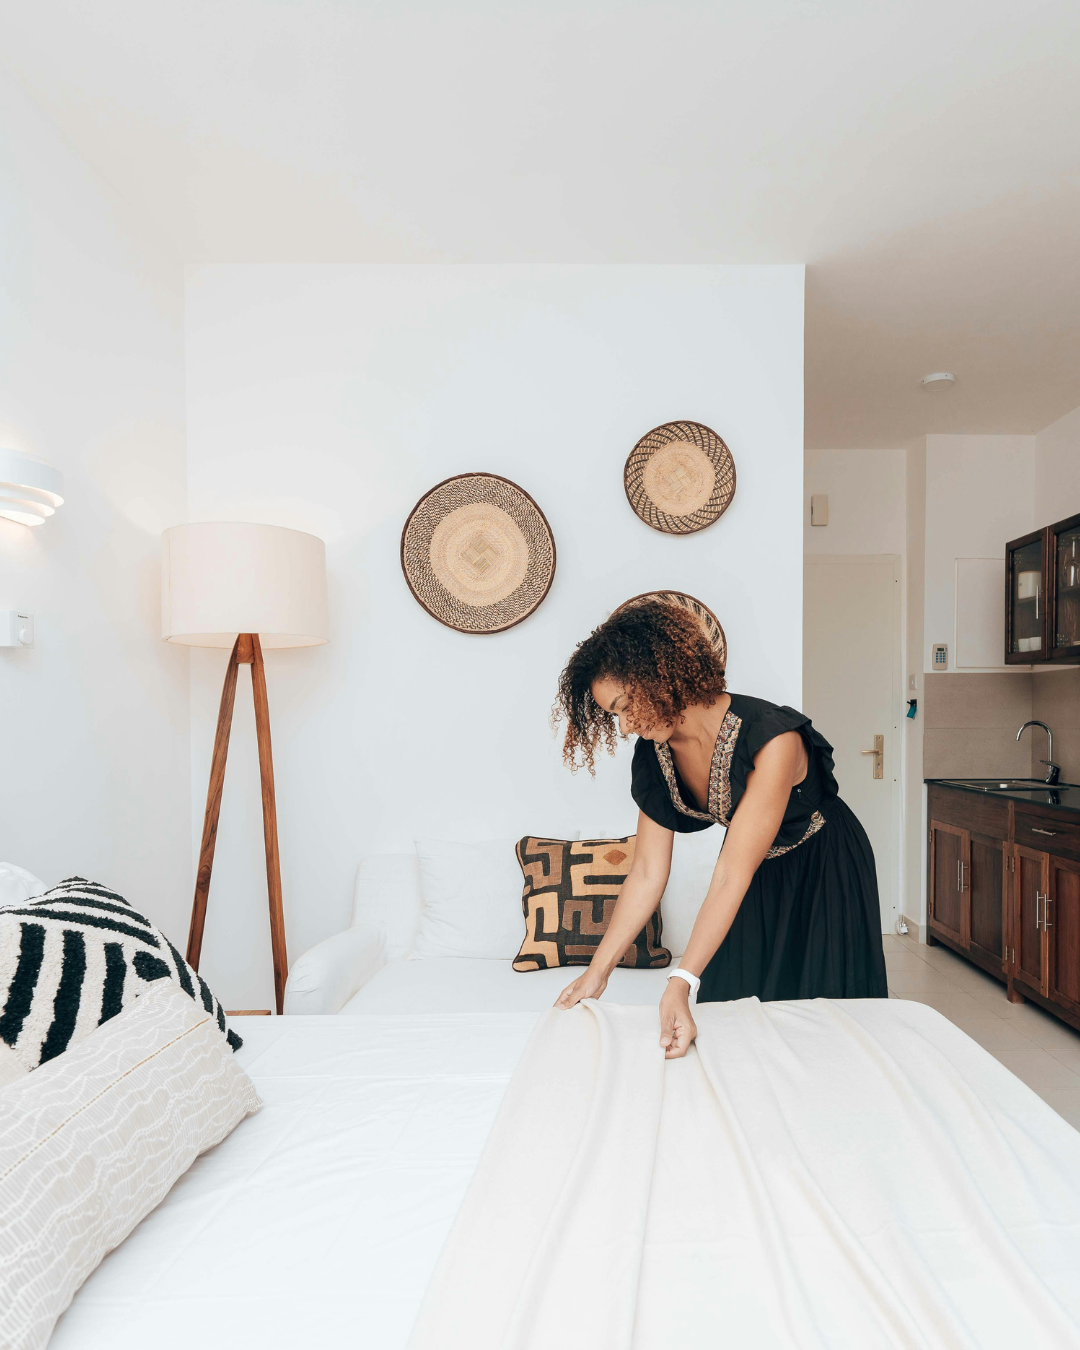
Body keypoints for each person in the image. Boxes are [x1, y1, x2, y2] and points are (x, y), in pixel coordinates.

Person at [552, 599, 887, 1058]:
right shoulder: (655, 751)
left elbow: (731, 874)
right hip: (755, 868)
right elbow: (648, 871)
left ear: (659, 676)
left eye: (627, 705)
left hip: (824, 864)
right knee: (733, 1016)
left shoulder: (772, 737)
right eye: (615, 715)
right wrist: (598, 970)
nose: (626, 725)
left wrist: (680, 982)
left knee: (823, 1030)